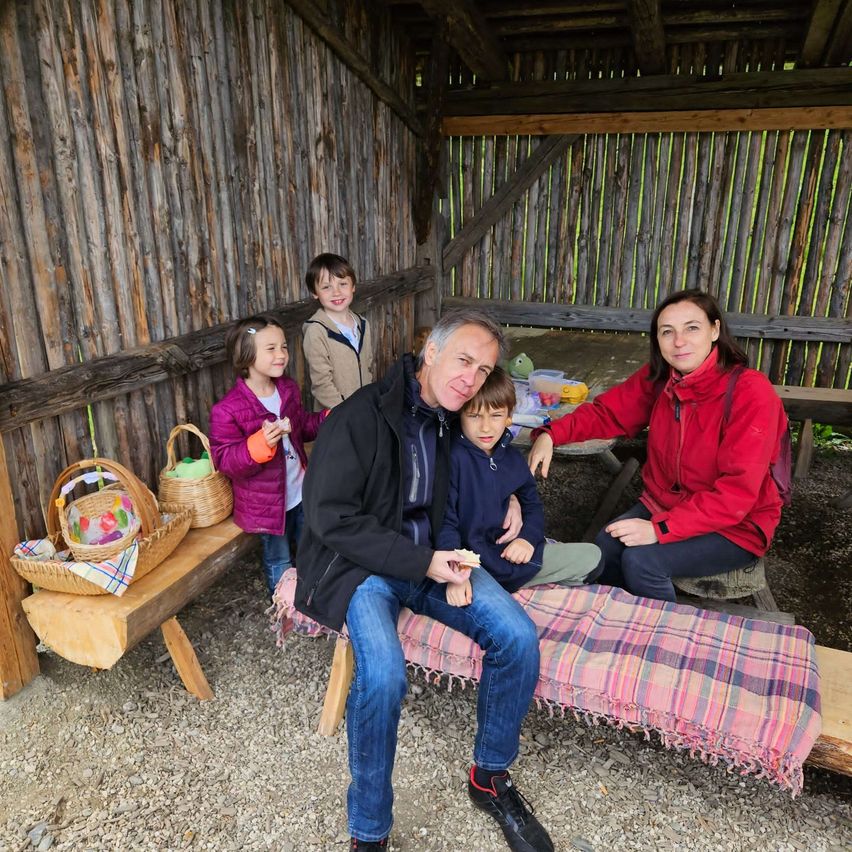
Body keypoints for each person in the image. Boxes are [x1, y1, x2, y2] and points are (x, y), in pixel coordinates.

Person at [296, 310, 554, 852]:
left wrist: (510, 497)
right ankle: (370, 832)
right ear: (430, 353)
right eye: (464, 360)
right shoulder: (359, 417)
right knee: (384, 676)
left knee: (517, 637)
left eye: (483, 370)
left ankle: (489, 776)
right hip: (366, 569)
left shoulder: (451, 418)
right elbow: (330, 518)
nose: (472, 379)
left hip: (438, 558)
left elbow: (487, 464)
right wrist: (422, 563)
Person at [528, 289, 789, 603]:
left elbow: (736, 496)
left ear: (715, 330)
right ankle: (617, 619)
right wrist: (551, 434)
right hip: (666, 504)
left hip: (736, 524)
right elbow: (609, 413)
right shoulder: (663, 378)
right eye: (667, 332)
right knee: (605, 549)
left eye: (692, 328)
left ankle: (664, 629)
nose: (679, 341)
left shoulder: (751, 392)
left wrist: (660, 529)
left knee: (643, 563)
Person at [437, 366, 603, 607]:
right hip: (472, 564)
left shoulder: (512, 458)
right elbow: (445, 524)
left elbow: (532, 505)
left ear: (509, 416)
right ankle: (497, 586)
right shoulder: (453, 459)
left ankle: (510, 583)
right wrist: (457, 573)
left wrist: (527, 539)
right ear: (459, 414)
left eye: (495, 416)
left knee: (593, 557)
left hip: (512, 554)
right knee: (468, 591)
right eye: (474, 416)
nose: (485, 427)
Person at [209, 316, 327, 597]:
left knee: (312, 546)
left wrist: (326, 419)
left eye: (283, 346)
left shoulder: (287, 389)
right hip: (266, 506)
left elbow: (301, 426)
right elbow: (225, 460)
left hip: (300, 490)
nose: (282, 354)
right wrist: (257, 445)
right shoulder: (227, 410)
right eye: (271, 348)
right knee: (279, 559)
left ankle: (315, 595)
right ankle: (284, 604)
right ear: (246, 355)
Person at [302, 253, 373, 409]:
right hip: (336, 416)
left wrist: (369, 404)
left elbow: (367, 367)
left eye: (343, 284)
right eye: (326, 287)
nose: (336, 292)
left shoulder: (363, 324)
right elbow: (322, 385)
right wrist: (346, 413)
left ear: (353, 286)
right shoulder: (316, 331)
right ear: (315, 292)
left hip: (363, 410)